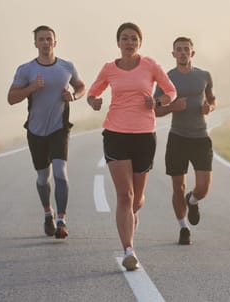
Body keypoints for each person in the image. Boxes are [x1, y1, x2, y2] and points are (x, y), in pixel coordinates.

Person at [87, 22, 176, 271]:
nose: (129, 42)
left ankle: (132, 221)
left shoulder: (150, 65)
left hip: (144, 135)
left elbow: (171, 91)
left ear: (140, 42)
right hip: (115, 133)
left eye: (133, 39)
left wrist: (158, 100)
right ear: (118, 43)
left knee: (136, 200)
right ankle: (129, 250)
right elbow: (93, 92)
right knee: (124, 196)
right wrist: (94, 101)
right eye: (124, 38)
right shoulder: (109, 69)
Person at [7, 25, 86, 240]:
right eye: (41, 39)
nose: (45, 43)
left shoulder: (66, 66)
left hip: (59, 129)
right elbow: (11, 98)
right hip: (35, 131)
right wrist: (30, 88)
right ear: (35, 43)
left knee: (60, 172)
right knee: (43, 177)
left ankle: (61, 220)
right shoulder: (26, 70)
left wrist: (75, 96)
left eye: (48, 39)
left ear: (55, 42)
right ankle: (48, 213)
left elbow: (80, 86)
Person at [154, 36, 216, 245]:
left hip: (200, 137)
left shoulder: (204, 76)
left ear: (192, 53)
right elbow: (155, 109)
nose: (182, 52)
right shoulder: (166, 79)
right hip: (177, 137)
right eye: (178, 50)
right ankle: (183, 228)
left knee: (203, 187)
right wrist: (172, 107)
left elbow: (212, 99)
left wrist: (210, 108)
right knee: (177, 187)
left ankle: (193, 200)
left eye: (186, 49)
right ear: (173, 54)